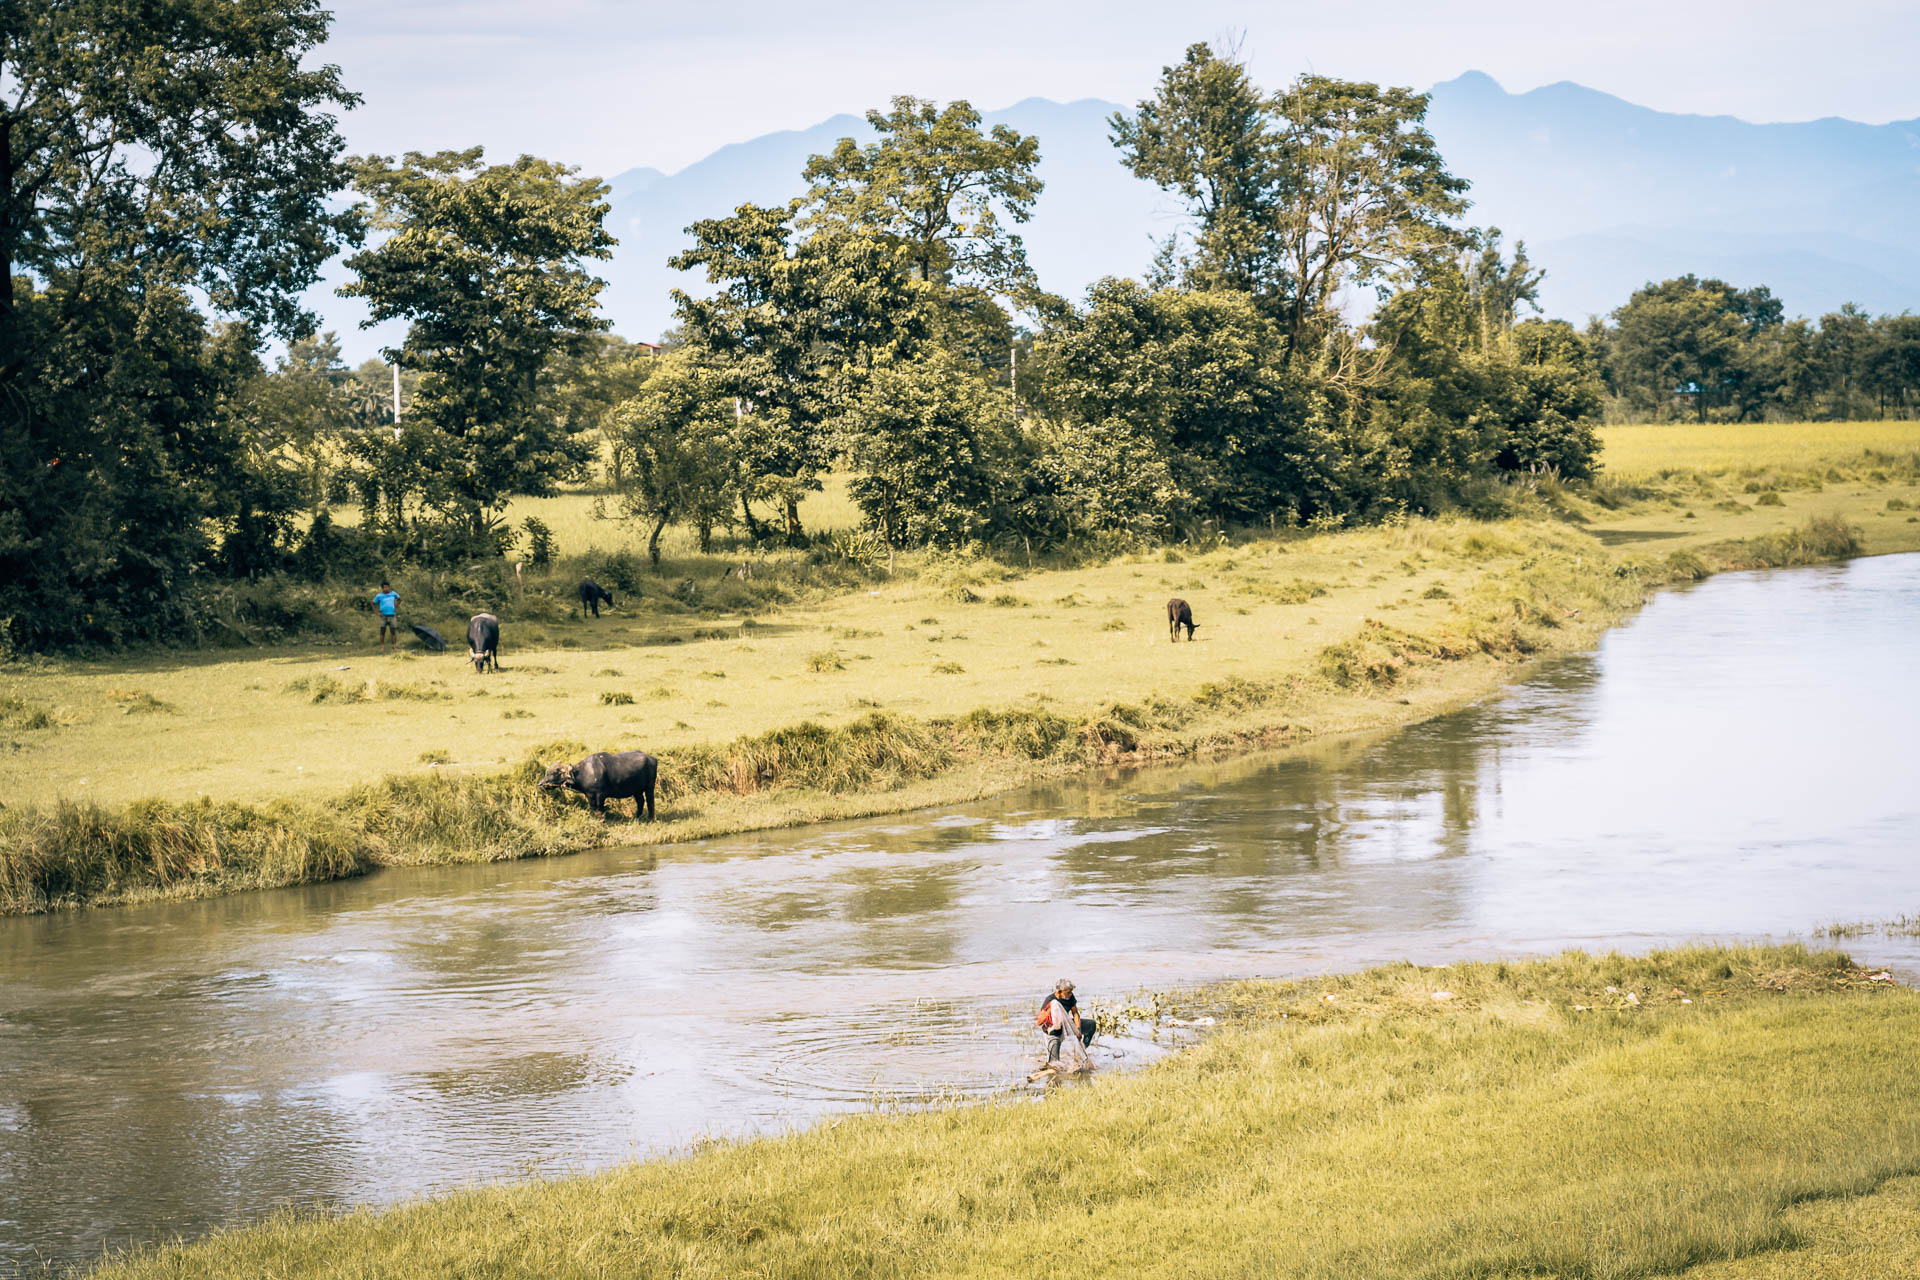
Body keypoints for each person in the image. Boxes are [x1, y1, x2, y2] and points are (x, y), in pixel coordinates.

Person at [1037, 977, 1096, 1064]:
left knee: (1091, 1024)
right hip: (1053, 1031)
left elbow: (1075, 1013)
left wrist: (1078, 1029)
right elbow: (1039, 1022)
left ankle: (1082, 1049)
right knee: (1054, 1063)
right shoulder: (1050, 1000)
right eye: (1068, 992)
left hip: (1067, 1024)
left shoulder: (1070, 997)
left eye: (1071, 992)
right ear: (1059, 992)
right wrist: (1049, 1011)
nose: (1071, 994)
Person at [372, 580, 400, 651]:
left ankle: (394, 646)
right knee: (382, 631)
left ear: (389, 587)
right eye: (384, 587)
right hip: (383, 616)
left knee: (393, 631)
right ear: (382, 588)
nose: (386, 588)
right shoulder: (379, 596)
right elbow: (373, 603)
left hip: (392, 615)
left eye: (387, 587)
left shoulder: (393, 593)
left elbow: (399, 599)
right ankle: (382, 647)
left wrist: (395, 606)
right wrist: (376, 612)